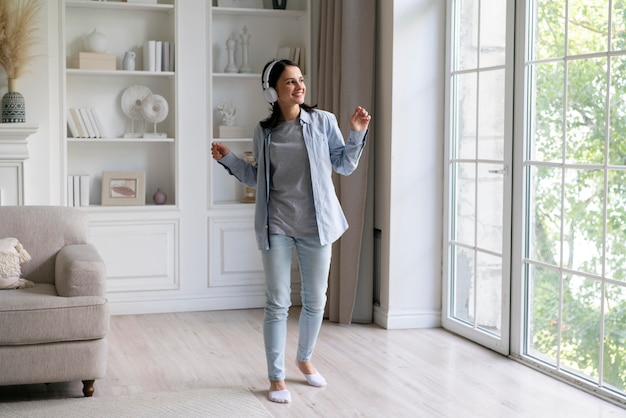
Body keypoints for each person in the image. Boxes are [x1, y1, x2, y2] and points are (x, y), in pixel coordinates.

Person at [211, 59, 371, 404]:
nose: (299, 87)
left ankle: (304, 358)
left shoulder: (324, 121)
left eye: (300, 80)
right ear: (273, 91)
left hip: (317, 225)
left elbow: (344, 164)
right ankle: (276, 376)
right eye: (289, 82)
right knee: (278, 302)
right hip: (278, 225)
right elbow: (257, 179)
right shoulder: (264, 132)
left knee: (316, 300)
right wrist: (230, 160)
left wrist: (356, 131)